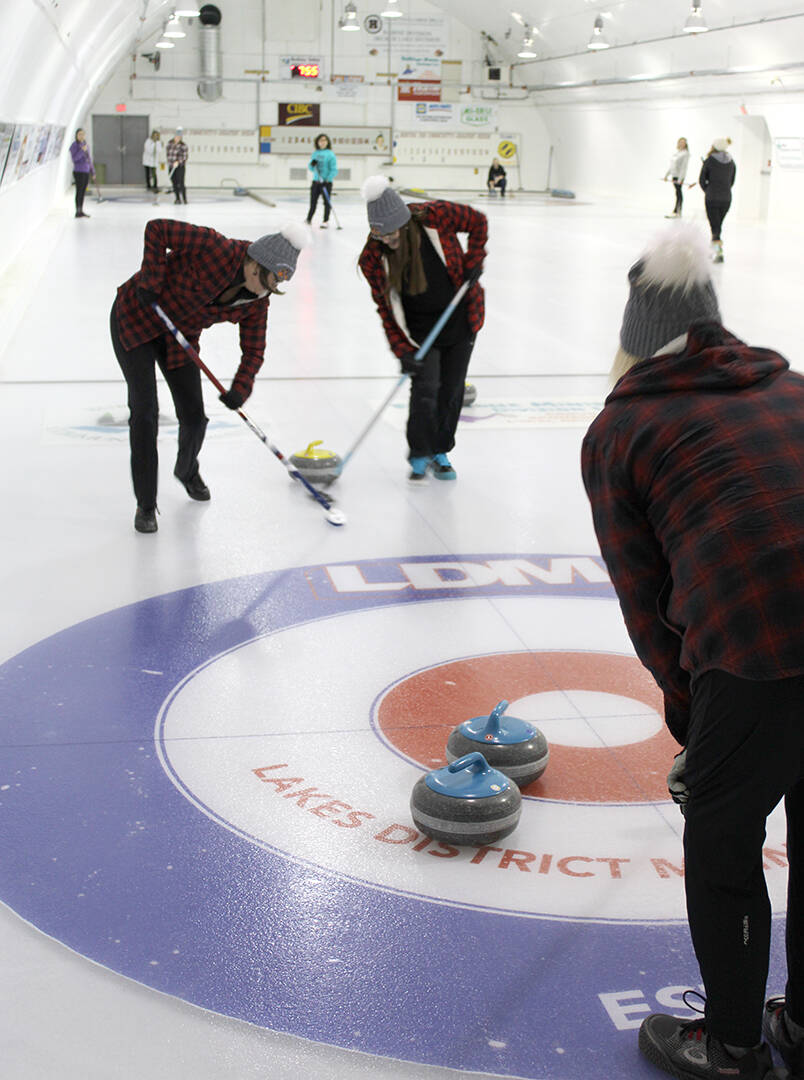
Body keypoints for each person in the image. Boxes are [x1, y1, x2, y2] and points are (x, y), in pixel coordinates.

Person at [581, 221, 804, 1080]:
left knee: (724, 839)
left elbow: (650, 612)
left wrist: (692, 726)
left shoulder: (621, 433)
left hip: (756, 657)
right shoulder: (789, 387)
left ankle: (736, 1044)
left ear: (634, 340)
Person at [110, 220, 311, 533]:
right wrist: (151, 279)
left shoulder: (257, 301)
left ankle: (187, 469)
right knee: (145, 412)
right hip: (137, 316)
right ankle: (146, 504)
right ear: (255, 264)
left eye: (273, 288)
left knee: (195, 417)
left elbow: (254, 351)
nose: (264, 294)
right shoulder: (216, 248)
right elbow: (156, 229)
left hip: (178, 337)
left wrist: (240, 389)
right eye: (266, 283)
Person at [358, 176, 486, 484]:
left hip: (460, 321)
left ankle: (440, 451)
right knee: (425, 392)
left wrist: (474, 260)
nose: (387, 240)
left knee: (451, 391)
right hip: (417, 333)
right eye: (379, 234)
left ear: (404, 222)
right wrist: (402, 350)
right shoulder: (373, 258)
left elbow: (478, 221)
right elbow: (385, 309)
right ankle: (419, 452)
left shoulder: (435, 216)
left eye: (391, 233)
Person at [699, 137, 736, 263]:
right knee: (717, 225)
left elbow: (702, 180)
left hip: (712, 198)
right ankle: (713, 250)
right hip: (726, 198)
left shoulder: (709, 161)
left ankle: (718, 252)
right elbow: (732, 181)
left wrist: (708, 190)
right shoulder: (731, 162)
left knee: (715, 227)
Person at [306, 133, 338, 228]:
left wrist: (328, 179)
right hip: (316, 182)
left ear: (327, 142)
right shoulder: (315, 153)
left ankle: (325, 220)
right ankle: (308, 219)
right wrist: (312, 164)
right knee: (313, 202)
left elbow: (334, 169)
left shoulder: (330, 154)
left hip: (326, 183)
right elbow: (311, 168)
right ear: (317, 142)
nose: (322, 142)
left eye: (324, 140)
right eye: (321, 140)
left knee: (326, 202)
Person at [68, 128, 95, 219]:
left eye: (83, 134)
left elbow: (89, 159)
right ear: (76, 135)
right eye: (80, 134)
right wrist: (81, 151)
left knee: (83, 191)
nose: (81, 136)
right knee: (79, 191)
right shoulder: (74, 146)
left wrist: (92, 171)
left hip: (86, 170)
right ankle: (77, 210)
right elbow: (75, 159)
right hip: (78, 171)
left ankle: (81, 210)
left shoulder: (86, 145)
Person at [663, 136, 690, 218]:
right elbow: (672, 166)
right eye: (680, 142)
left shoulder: (685, 154)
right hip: (674, 175)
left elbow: (684, 167)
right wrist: (666, 175)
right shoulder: (677, 153)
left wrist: (680, 179)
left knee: (678, 193)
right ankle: (676, 211)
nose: (681, 144)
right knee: (677, 192)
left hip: (679, 176)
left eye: (683, 142)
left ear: (685, 144)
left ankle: (678, 211)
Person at [166, 128, 189, 204]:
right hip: (171, 166)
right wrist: (171, 163)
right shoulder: (170, 143)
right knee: (174, 183)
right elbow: (168, 154)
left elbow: (185, 157)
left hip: (180, 167)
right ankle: (177, 199)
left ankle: (184, 199)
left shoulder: (183, 145)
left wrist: (178, 162)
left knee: (181, 182)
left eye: (179, 137)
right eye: (176, 136)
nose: (177, 138)